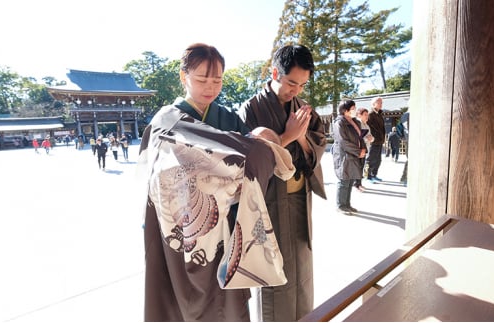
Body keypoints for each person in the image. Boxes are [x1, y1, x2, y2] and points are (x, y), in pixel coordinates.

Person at [140, 43, 259, 322]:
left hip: (225, 226)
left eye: (217, 80)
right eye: (202, 79)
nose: (210, 87)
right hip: (180, 228)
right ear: (184, 77)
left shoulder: (227, 117)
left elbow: (251, 160)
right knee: (182, 302)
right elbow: (158, 177)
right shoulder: (166, 120)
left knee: (227, 299)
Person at [238, 44, 327, 322]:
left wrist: (301, 136)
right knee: (273, 270)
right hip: (270, 203)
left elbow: (317, 146)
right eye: (291, 82)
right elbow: (246, 161)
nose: (296, 90)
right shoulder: (251, 109)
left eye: (302, 84)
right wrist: (287, 137)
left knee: (302, 267)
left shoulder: (303, 109)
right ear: (275, 72)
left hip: (300, 197)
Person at [332, 100, 367, 214]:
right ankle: (341, 205)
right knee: (344, 180)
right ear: (345, 110)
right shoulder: (339, 123)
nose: (354, 110)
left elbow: (360, 137)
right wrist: (358, 151)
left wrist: (363, 149)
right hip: (344, 155)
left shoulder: (355, 122)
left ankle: (347, 204)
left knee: (350, 179)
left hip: (354, 154)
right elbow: (343, 141)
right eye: (352, 108)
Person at [353, 107, 374, 192]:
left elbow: (370, 136)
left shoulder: (367, 125)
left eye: (367, 115)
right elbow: (357, 138)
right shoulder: (358, 124)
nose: (367, 116)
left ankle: (359, 183)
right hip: (359, 149)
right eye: (365, 115)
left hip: (365, 148)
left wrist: (372, 139)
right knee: (358, 167)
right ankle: (356, 184)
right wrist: (367, 139)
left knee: (361, 167)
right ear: (359, 115)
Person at [366, 96, 385, 183]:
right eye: (379, 102)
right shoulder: (370, 114)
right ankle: (368, 176)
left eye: (381, 102)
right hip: (373, 141)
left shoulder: (380, 114)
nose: (381, 104)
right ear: (373, 104)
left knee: (378, 159)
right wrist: (372, 137)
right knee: (371, 159)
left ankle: (374, 175)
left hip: (380, 140)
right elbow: (368, 128)